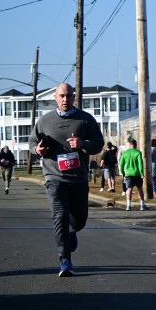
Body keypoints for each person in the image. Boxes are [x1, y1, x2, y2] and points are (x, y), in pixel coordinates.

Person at [29, 83, 106, 277]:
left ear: (74, 97)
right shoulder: (44, 121)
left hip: (78, 178)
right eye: (62, 96)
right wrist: (38, 150)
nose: (65, 99)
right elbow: (32, 143)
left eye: (69, 96)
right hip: (54, 177)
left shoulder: (85, 119)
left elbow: (98, 144)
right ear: (55, 97)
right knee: (60, 217)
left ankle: (72, 231)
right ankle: (65, 261)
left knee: (79, 221)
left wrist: (83, 144)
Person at [118, 137, 148, 211]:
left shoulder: (125, 153)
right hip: (137, 173)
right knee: (140, 188)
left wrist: (122, 172)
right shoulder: (138, 152)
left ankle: (128, 205)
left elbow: (121, 164)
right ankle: (142, 205)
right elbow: (140, 164)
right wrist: (142, 173)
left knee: (129, 189)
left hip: (128, 173)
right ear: (136, 145)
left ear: (130, 145)